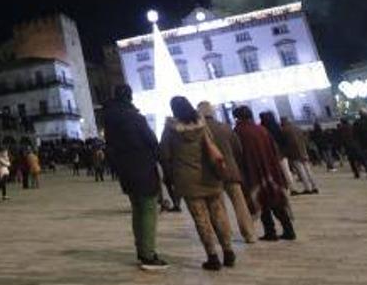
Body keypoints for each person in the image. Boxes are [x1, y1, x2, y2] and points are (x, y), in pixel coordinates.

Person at [161, 97, 236, 271]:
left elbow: (165, 153)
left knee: (201, 219)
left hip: (188, 180)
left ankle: (212, 256)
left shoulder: (171, 129)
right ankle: (228, 251)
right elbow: (212, 146)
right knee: (219, 214)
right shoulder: (202, 126)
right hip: (209, 175)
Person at [103, 86, 167, 270]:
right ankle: (148, 254)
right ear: (130, 97)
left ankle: (141, 248)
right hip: (143, 167)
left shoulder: (110, 119)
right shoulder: (134, 117)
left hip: (125, 170)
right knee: (148, 210)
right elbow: (151, 141)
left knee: (137, 209)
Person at [232, 106, 297, 242]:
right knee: (275, 200)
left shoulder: (239, 131)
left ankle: (270, 231)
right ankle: (288, 229)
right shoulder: (261, 130)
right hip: (269, 169)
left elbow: (238, 154)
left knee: (262, 202)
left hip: (252, 171)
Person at [198, 101, 255, 244]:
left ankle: (226, 235)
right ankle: (249, 234)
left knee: (219, 207)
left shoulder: (199, 131)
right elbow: (238, 148)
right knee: (239, 203)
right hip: (230, 170)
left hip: (212, 174)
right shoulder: (225, 127)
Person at [279, 118, 319, 195]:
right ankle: (314, 186)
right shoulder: (297, 128)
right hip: (303, 151)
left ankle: (307, 188)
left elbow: (286, 144)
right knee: (308, 170)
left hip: (295, 154)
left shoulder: (284, 131)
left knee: (301, 171)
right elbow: (305, 139)